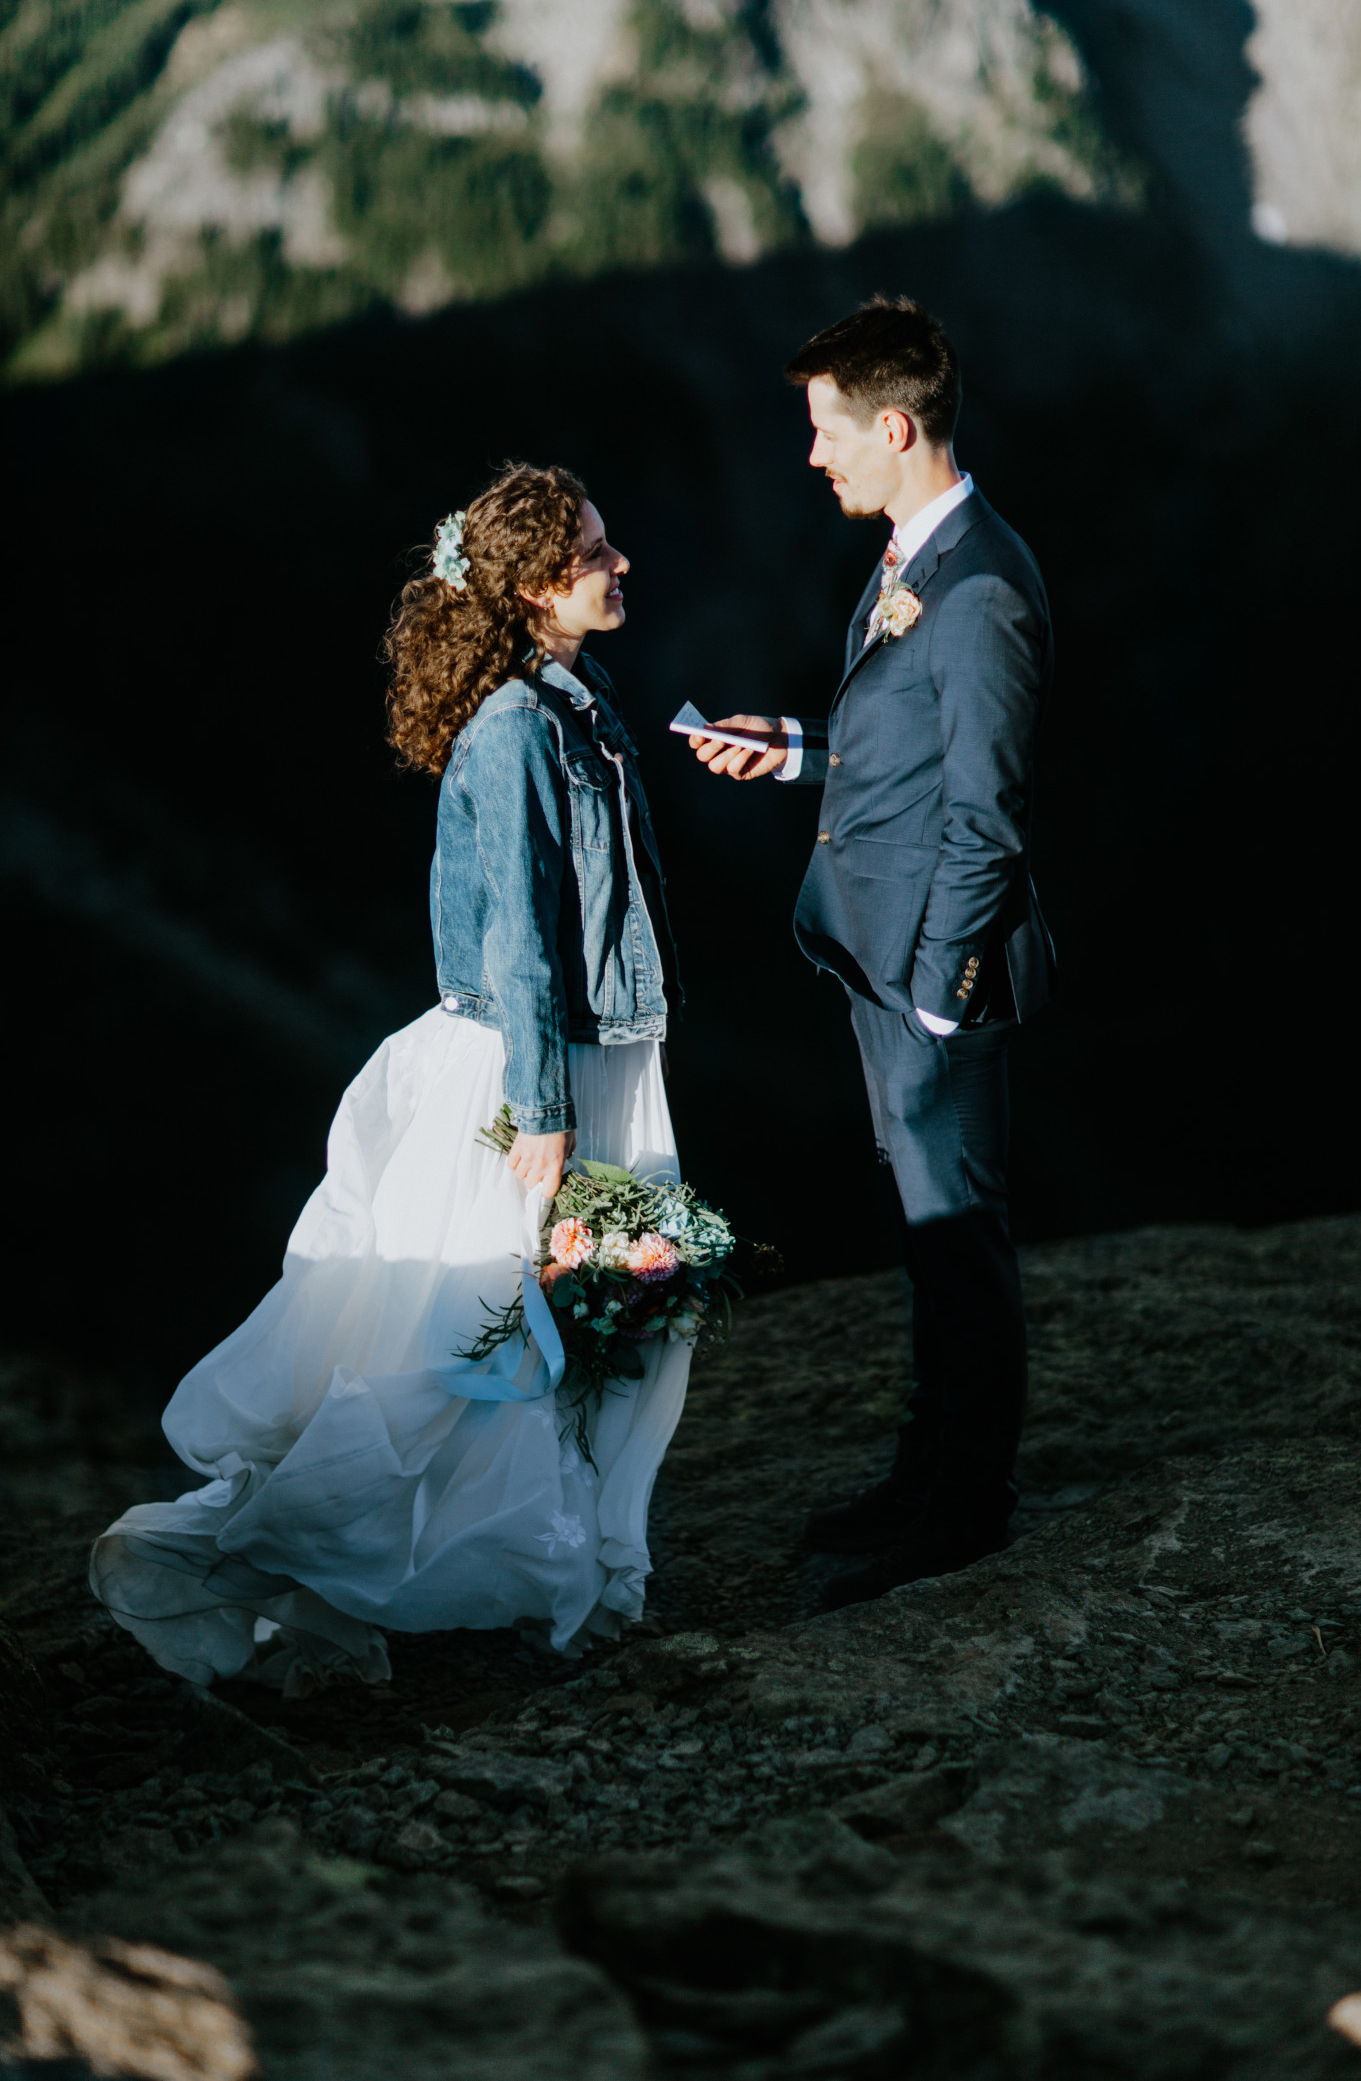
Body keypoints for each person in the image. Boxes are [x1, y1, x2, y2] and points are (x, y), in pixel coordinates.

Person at [92, 462, 689, 1693]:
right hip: (533, 1068)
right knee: (487, 1339)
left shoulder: (572, 696)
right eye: (591, 552)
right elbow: (520, 935)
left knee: (577, 1324)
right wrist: (543, 1112)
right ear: (530, 589)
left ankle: (545, 1559)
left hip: (585, 1047)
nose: (617, 562)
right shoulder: (517, 729)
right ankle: (300, 1556)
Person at [691, 295, 1055, 1606]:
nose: (812, 455)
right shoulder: (918, 557)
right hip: (889, 967)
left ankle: (961, 1507)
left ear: (893, 427)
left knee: (960, 1238)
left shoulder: (980, 594)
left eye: (825, 431)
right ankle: (926, 1473)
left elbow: (987, 818)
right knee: (929, 1231)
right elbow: (912, 754)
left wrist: (940, 996)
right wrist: (795, 752)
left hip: (932, 983)